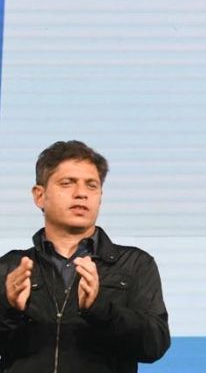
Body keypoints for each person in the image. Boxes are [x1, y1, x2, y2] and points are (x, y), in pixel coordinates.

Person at [0, 140, 170, 372]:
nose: (81, 194)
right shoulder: (11, 266)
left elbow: (154, 345)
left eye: (91, 185)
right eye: (67, 183)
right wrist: (10, 309)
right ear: (40, 196)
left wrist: (100, 309)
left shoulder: (135, 264)